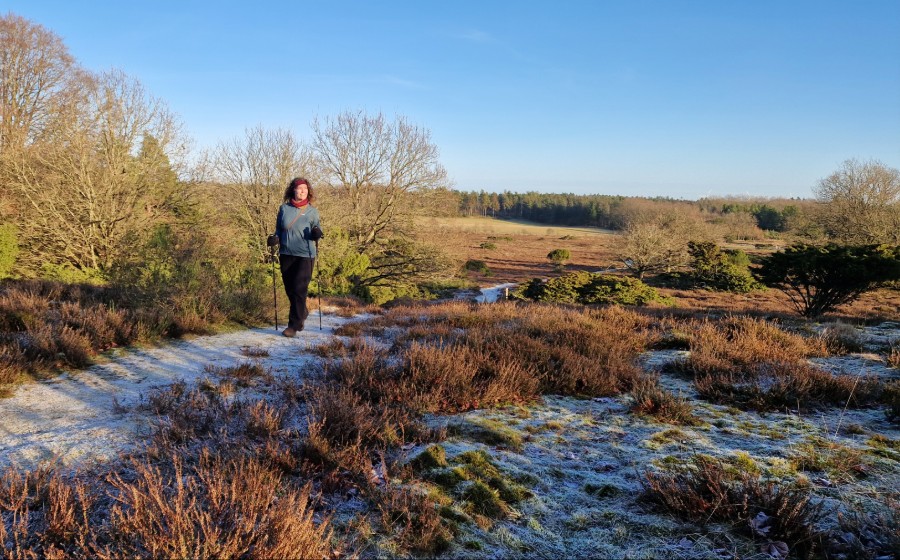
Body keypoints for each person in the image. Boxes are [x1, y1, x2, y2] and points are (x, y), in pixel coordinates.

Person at [270, 177, 323, 337]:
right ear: (293, 190)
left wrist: (317, 234)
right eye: (300, 188)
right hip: (286, 253)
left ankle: (294, 325)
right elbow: (279, 229)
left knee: (300, 288)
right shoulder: (284, 209)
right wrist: (274, 238)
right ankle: (302, 312)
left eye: (305, 189)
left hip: (305, 255)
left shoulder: (312, 211)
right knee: (290, 289)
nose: (302, 191)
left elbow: (317, 229)